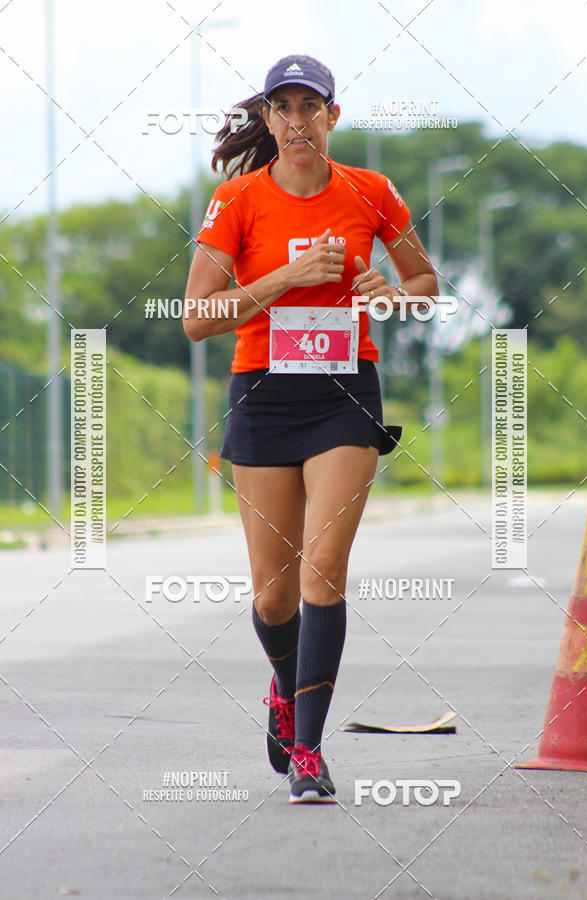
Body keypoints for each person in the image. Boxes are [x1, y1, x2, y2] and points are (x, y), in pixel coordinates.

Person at [183, 54, 437, 803]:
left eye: (310, 107)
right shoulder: (236, 200)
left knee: (323, 567)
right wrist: (285, 280)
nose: (297, 121)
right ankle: (284, 687)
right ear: (268, 119)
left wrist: (390, 296)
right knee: (274, 598)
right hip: (264, 395)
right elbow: (197, 317)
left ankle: (309, 751)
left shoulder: (371, 191)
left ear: (333, 115)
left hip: (343, 396)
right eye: (283, 108)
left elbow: (425, 285)